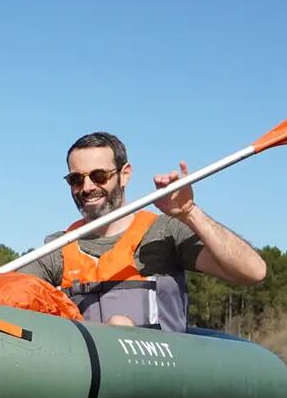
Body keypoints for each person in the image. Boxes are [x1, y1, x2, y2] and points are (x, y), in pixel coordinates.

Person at [14, 131, 266, 332]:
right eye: (76, 180)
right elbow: (8, 291)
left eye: (99, 175)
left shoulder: (164, 232)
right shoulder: (57, 248)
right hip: (90, 379)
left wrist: (190, 212)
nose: (87, 187)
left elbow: (252, 271)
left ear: (125, 175)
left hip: (158, 379)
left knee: (120, 325)